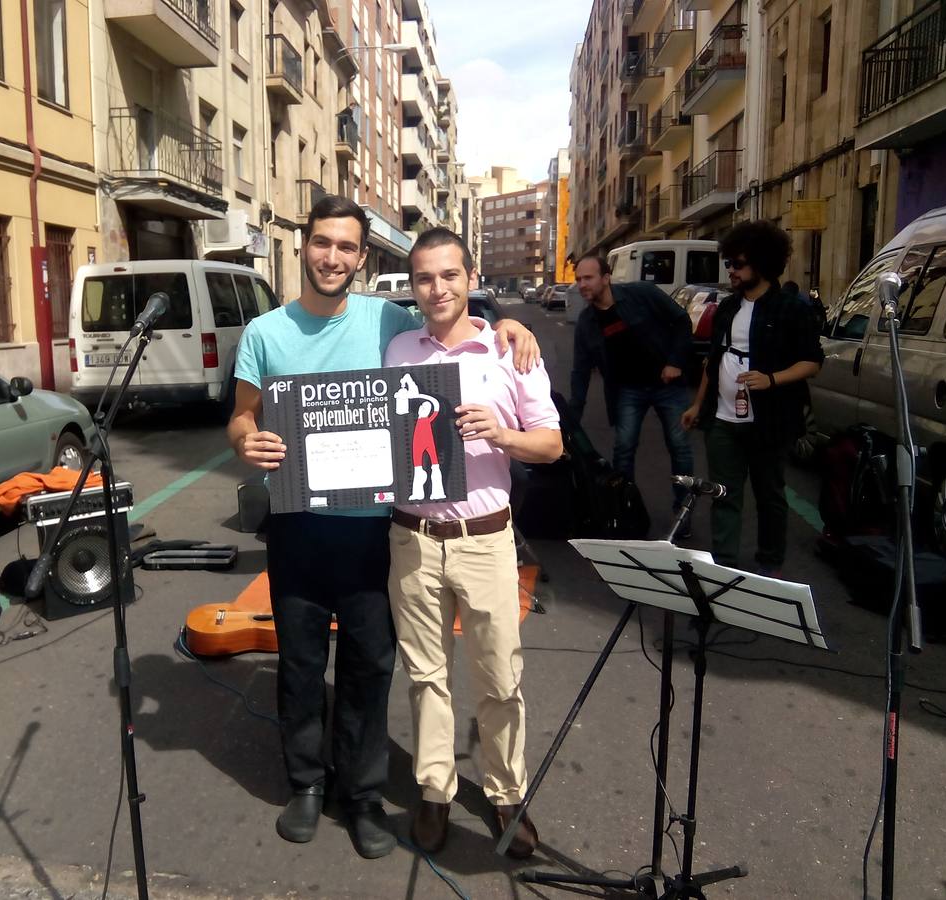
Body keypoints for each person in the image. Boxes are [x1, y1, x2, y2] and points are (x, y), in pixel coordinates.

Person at [227, 196, 538, 859]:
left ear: (361, 257)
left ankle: (364, 793)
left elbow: (450, 314)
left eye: (346, 247)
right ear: (302, 247)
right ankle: (307, 782)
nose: (332, 256)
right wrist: (246, 443)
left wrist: (507, 324)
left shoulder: (389, 322)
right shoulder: (264, 333)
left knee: (371, 665)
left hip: (374, 529)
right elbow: (241, 417)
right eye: (322, 243)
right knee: (302, 662)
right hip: (297, 524)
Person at [384, 228, 563, 858]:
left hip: (486, 540)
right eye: (425, 278)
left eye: (449, 276)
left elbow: (552, 443)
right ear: (414, 286)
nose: (437, 289)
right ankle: (435, 789)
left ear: (470, 276)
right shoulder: (399, 347)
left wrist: (503, 435)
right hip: (412, 538)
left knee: (499, 680)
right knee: (426, 677)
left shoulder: (509, 349)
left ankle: (506, 791)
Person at [680, 221, 824, 576]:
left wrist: (772, 379)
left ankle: (769, 564)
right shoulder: (727, 308)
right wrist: (699, 404)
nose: (731, 270)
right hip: (723, 420)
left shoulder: (791, 309)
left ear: (761, 264)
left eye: (738, 264)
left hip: (769, 423)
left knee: (770, 496)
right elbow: (712, 360)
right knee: (722, 494)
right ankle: (725, 566)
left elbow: (812, 362)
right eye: (728, 263)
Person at [569, 253, 695, 528]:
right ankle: (624, 509)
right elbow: (580, 373)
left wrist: (675, 362)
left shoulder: (642, 294)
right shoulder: (587, 323)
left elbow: (683, 321)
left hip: (667, 385)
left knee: (680, 448)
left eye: (588, 278)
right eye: (578, 279)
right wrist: (570, 421)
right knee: (623, 449)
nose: (582, 285)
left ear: (606, 278)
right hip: (628, 390)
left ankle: (682, 514)